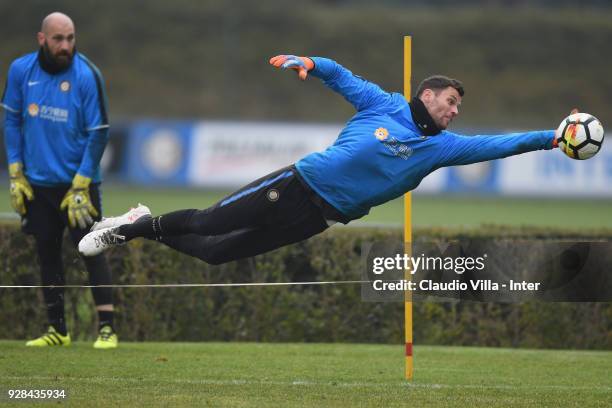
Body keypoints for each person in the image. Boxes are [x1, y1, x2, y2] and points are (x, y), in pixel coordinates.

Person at [79, 54, 565, 265]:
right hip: (296, 184)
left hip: (321, 217)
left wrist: (553, 136)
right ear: (428, 94)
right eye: (452, 103)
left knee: (214, 254)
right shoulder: (385, 104)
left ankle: (143, 221)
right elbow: (340, 74)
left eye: (459, 109)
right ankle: (127, 229)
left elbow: (503, 143)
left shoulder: (443, 148)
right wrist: (310, 65)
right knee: (206, 223)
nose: (456, 113)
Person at [2, 12, 118, 348]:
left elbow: (99, 134)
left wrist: (81, 182)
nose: (65, 45)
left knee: (93, 250)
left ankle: (107, 329)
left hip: (79, 185)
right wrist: (15, 172)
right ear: (42, 39)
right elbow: (11, 123)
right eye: (58, 39)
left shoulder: (87, 75)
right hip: (37, 184)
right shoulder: (21, 70)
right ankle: (58, 330)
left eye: (70, 38)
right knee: (47, 253)